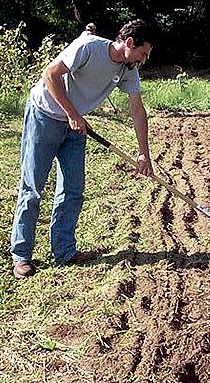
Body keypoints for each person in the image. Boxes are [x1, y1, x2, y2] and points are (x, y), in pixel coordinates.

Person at [10, 19, 157, 278]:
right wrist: (72, 114)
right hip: (44, 115)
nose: (143, 60)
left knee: (73, 189)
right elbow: (51, 74)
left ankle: (64, 252)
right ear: (130, 43)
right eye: (143, 53)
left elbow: (137, 110)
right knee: (33, 188)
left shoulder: (128, 68)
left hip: (76, 125)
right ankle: (21, 255)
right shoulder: (88, 47)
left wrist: (143, 153)